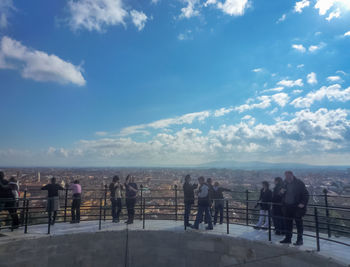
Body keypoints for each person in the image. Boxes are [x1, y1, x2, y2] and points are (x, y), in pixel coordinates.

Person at [280, 171, 309, 246]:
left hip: (296, 207)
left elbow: (306, 194)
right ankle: (288, 238)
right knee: (288, 224)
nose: (287, 178)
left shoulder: (299, 183)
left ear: (292, 175)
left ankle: (300, 240)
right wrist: (281, 192)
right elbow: (280, 194)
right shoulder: (284, 183)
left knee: (299, 224)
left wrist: (303, 203)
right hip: (287, 207)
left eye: (288, 176)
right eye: (286, 176)